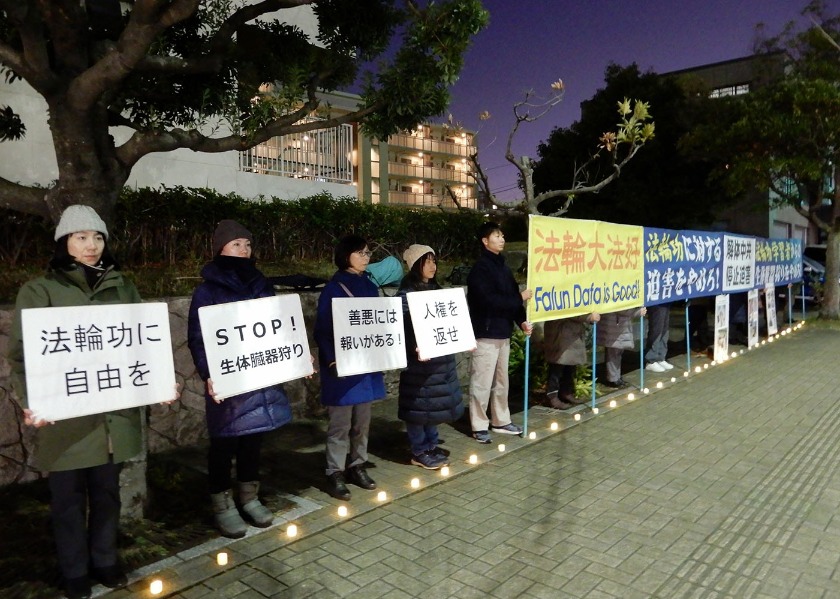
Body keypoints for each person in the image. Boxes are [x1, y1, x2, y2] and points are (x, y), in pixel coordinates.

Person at [8, 205, 167, 599]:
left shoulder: (122, 285)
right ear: (64, 242)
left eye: (97, 237)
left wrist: (158, 381)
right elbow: (22, 355)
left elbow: (142, 344)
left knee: (107, 493)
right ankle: (74, 569)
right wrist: (33, 402)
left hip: (112, 415)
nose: (91, 245)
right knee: (67, 499)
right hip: (67, 418)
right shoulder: (40, 289)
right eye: (81, 237)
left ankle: (105, 559)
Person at [187, 220, 292, 538]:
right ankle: (222, 505)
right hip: (229, 379)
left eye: (247, 244)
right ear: (221, 248)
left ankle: (249, 498)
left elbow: (278, 326)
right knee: (223, 443)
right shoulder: (207, 291)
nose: (244, 250)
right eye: (236, 244)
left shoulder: (261, 283)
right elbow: (198, 337)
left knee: (253, 440)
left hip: (260, 375)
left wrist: (295, 354)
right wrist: (209, 374)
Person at [315, 235, 385, 500]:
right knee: (340, 424)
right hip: (342, 368)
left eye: (368, 253)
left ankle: (358, 465)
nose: (366, 258)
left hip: (365, 364)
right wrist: (332, 359)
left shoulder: (369, 285)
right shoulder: (333, 289)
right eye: (361, 253)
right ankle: (334, 471)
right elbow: (322, 330)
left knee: (363, 421)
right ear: (346, 256)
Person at [396, 245, 464, 469]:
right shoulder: (405, 295)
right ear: (416, 265)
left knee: (432, 406)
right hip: (418, 363)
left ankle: (431, 444)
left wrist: (464, 338)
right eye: (427, 262)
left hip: (438, 362)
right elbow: (403, 328)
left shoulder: (437, 290)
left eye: (434, 261)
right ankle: (419, 450)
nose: (433, 266)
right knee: (418, 407)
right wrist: (414, 347)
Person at [466, 222, 533, 444]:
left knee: (501, 381)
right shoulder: (480, 269)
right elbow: (488, 301)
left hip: (503, 332)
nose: (502, 239)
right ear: (485, 241)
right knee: (482, 382)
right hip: (485, 333)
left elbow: (512, 297)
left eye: (502, 235)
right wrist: (519, 299)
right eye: (497, 235)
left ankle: (501, 420)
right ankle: (478, 424)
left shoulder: (503, 267)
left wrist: (522, 321)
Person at [543, 312, 600, 409]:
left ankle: (566, 392)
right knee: (557, 365)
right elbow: (568, 307)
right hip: (560, 329)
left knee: (570, 363)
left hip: (571, 330)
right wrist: (587, 317)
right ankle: (552, 396)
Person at [597, 307, 647, 388]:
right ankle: (613, 378)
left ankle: (615, 377)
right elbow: (620, 307)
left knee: (617, 351)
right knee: (614, 351)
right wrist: (636, 312)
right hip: (615, 323)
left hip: (618, 323)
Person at [644, 303, 674, 372]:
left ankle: (660, 357)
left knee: (664, 328)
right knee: (657, 328)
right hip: (656, 301)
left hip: (665, 300)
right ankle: (651, 359)